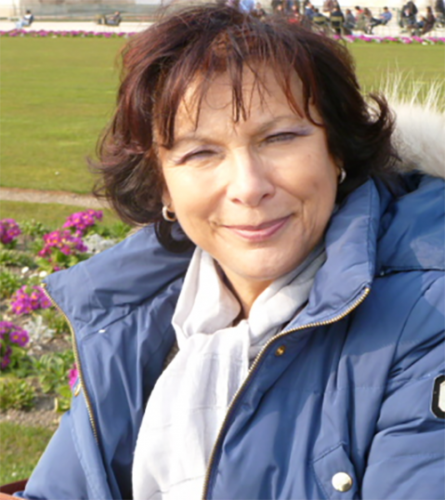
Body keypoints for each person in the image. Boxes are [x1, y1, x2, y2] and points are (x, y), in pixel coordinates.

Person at [8, 5, 445, 500]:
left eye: (279, 138)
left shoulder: (429, 312)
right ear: (163, 186)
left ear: (337, 150)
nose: (248, 187)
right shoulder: (134, 317)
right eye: (200, 152)